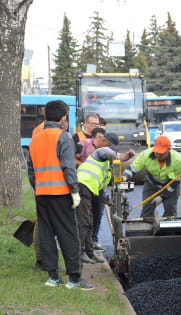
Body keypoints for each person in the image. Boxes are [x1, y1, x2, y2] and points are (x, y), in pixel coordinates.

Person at [27, 100, 93, 290]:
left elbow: (31, 169)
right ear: (64, 117)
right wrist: (74, 190)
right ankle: (74, 279)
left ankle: (53, 277)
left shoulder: (36, 138)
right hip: (61, 194)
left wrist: (38, 186)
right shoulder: (63, 137)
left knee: (47, 234)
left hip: (42, 194)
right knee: (69, 234)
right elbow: (68, 166)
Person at [122, 136, 181, 217]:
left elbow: (176, 181)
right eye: (156, 152)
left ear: (169, 149)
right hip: (151, 184)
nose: (158, 155)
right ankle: (146, 227)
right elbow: (132, 169)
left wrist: (162, 196)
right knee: (147, 208)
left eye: (162, 153)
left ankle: (168, 227)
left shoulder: (177, 159)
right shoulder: (145, 155)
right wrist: (124, 178)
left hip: (170, 185)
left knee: (170, 209)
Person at [77, 146, 118, 263]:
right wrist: (114, 159)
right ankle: (80, 252)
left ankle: (90, 252)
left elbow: (101, 188)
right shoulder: (99, 156)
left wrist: (104, 198)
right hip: (82, 186)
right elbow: (106, 151)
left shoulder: (107, 171)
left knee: (90, 223)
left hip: (90, 190)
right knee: (84, 222)